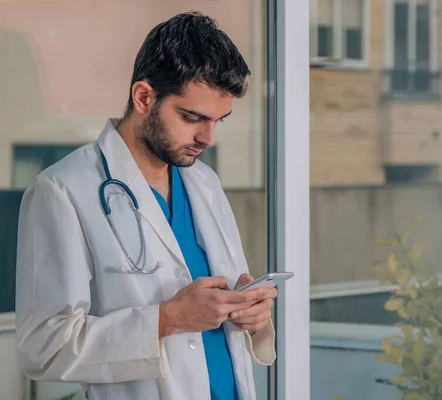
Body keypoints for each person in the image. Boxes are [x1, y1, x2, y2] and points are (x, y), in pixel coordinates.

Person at [14, 11, 277, 400]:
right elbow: (43, 348)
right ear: (144, 97)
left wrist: (253, 317)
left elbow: (222, 310)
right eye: (192, 118)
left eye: (219, 121)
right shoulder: (62, 190)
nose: (207, 137)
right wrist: (166, 320)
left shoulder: (204, 183)